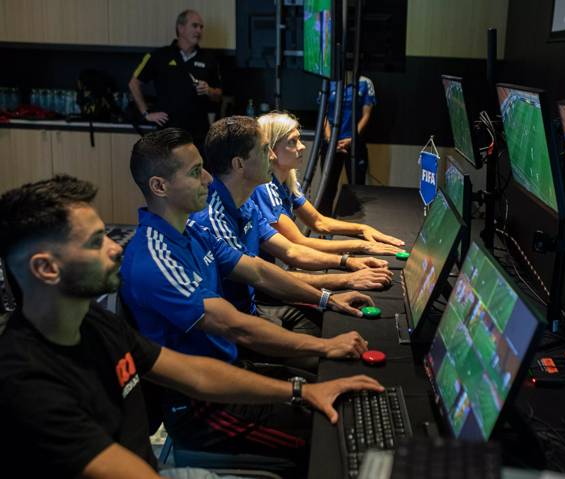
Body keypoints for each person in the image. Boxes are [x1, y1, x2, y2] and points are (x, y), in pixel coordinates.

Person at [0, 175, 383, 478]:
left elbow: (193, 373)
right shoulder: (25, 380)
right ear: (46, 269)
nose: (115, 247)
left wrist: (301, 391)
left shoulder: (92, 321)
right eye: (96, 242)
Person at [120, 128, 375, 460]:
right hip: (204, 410)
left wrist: (328, 297)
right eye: (196, 172)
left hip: (232, 371)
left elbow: (258, 271)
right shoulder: (154, 258)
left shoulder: (192, 230)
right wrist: (326, 344)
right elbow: (233, 326)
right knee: (338, 439)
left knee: (343, 395)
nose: (209, 179)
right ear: (159, 186)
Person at [191, 116, 394, 328]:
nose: (271, 157)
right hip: (238, 322)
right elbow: (262, 275)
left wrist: (348, 260)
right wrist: (342, 282)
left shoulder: (246, 204)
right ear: (239, 164)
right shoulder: (212, 218)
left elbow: (291, 250)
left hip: (253, 307)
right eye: (264, 150)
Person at [252, 112, 405, 256]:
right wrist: (362, 245)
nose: (302, 146)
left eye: (298, 139)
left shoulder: (287, 181)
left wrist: (363, 228)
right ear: (270, 149)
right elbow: (298, 243)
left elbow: (319, 222)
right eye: (292, 142)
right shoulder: (264, 188)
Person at [129, 9, 222, 148]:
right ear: (181, 28)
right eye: (195, 26)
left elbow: (219, 95)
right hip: (167, 134)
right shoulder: (160, 56)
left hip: (198, 135)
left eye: (201, 27)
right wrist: (146, 113)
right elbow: (133, 83)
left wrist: (209, 90)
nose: (199, 31)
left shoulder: (209, 59)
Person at [317, 73, 376, 214]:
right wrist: (331, 140)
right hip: (331, 143)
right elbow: (322, 112)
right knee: (327, 187)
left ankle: (355, 227)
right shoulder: (328, 81)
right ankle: (323, 230)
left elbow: (366, 114)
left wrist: (352, 138)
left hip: (354, 144)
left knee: (357, 187)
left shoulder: (365, 82)